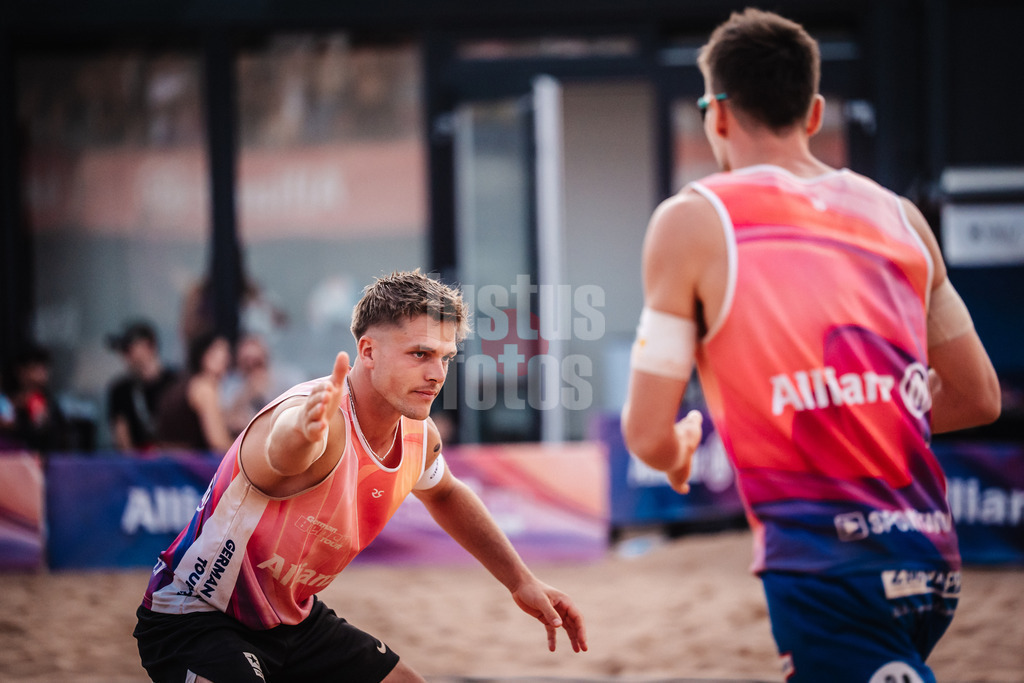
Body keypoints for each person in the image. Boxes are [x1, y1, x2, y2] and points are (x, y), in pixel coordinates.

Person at [620, 9, 1001, 683]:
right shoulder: (903, 217)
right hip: (931, 555)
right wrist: (861, 413)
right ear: (815, 111)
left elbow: (647, 429)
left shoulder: (693, 219)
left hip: (826, 563)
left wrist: (675, 451)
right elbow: (977, 396)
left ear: (717, 114)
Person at [134, 270, 587, 682]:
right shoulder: (318, 420)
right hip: (196, 616)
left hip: (292, 620)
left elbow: (446, 492)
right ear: (368, 351)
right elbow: (279, 454)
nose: (436, 374)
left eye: (446, 358)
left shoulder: (417, 434)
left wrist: (519, 580)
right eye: (421, 354)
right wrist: (302, 431)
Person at [155, 331, 234, 454]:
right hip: (190, 468)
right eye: (223, 351)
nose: (227, 358)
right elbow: (219, 443)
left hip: (168, 465)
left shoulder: (181, 385)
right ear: (206, 356)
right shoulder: (204, 387)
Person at [106, 320, 179, 452]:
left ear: (149, 346)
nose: (125, 356)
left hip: (175, 463)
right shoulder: (121, 390)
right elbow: (122, 440)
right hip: (139, 467)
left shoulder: (176, 382)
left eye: (129, 349)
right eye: (123, 350)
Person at [221, 333, 300, 437]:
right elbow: (225, 421)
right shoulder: (231, 384)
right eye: (246, 361)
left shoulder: (287, 379)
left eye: (256, 362)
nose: (251, 365)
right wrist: (246, 394)